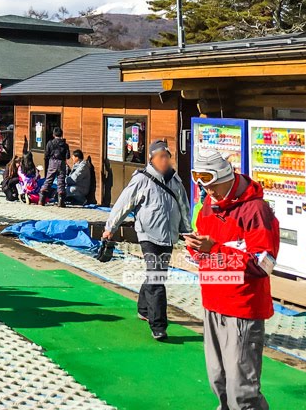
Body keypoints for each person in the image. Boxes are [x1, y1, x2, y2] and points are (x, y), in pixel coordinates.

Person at [185, 151, 280, 410]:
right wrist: (194, 248)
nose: (209, 192)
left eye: (213, 186)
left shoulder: (257, 210)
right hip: (212, 303)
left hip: (243, 308)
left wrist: (213, 249)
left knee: (241, 389)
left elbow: (264, 264)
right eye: (204, 187)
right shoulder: (209, 205)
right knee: (218, 380)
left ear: (228, 177)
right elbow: (204, 242)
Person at [102, 140, 191, 340]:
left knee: (156, 274)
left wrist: (187, 231)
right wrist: (110, 228)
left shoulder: (176, 181)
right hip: (148, 235)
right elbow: (124, 204)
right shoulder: (142, 179)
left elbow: (184, 207)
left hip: (168, 236)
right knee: (157, 277)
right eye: (160, 156)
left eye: (167, 156)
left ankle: (143, 308)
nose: (165, 160)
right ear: (151, 158)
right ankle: (158, 324)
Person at [41, 128, 70, 206]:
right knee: (61, 181)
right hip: (62, 163)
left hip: (52, 162)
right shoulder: (65, 144)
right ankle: (61, 201)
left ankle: (42, 200)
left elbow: (46, 154)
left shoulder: (50, 143)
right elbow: (68, 156)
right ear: (62, 134)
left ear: (53, 135)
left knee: (48, 180)